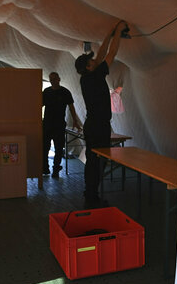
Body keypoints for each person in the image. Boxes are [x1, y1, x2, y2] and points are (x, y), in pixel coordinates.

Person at [75, 20, 128, 209]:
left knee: (94, 161)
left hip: (94, 125)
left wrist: (110, 33)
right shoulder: (95, 76)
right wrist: (119, 32)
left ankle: (91, 193)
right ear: (88, 67)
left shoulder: (87, 78)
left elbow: (101, 54)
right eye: (92, 62)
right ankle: (92, 195)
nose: (95, 61)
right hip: (98, 126)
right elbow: (110, 54)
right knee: (98, 162)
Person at [42, 71, 82, 178]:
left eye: (54, 79)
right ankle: (45, 168)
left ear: (59, 79)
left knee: (59, 148)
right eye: (51, 79)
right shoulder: (46, 92)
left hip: (59, 125)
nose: (52, 81)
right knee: (45, 147)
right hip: (47, 124)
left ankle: (56, 169)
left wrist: (75, 120)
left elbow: (71, 107)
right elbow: (39, 105)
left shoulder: (65, 92)